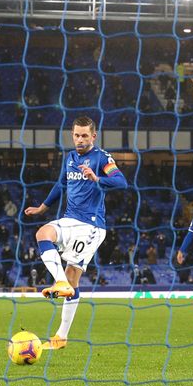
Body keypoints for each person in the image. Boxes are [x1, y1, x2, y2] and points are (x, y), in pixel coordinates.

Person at [24, 116, 128, 350]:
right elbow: (61, 185)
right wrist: (43, 207)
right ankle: (61, 336)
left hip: (91, 226)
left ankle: (60, 292)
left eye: (84, 136)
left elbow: (122, 182)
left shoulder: (102, 157)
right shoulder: (70, 158)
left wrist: (97, 178)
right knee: (45, 236)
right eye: (76, 135)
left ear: (94, 136)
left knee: (66, 269)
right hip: (70, 220)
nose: (80, 140)